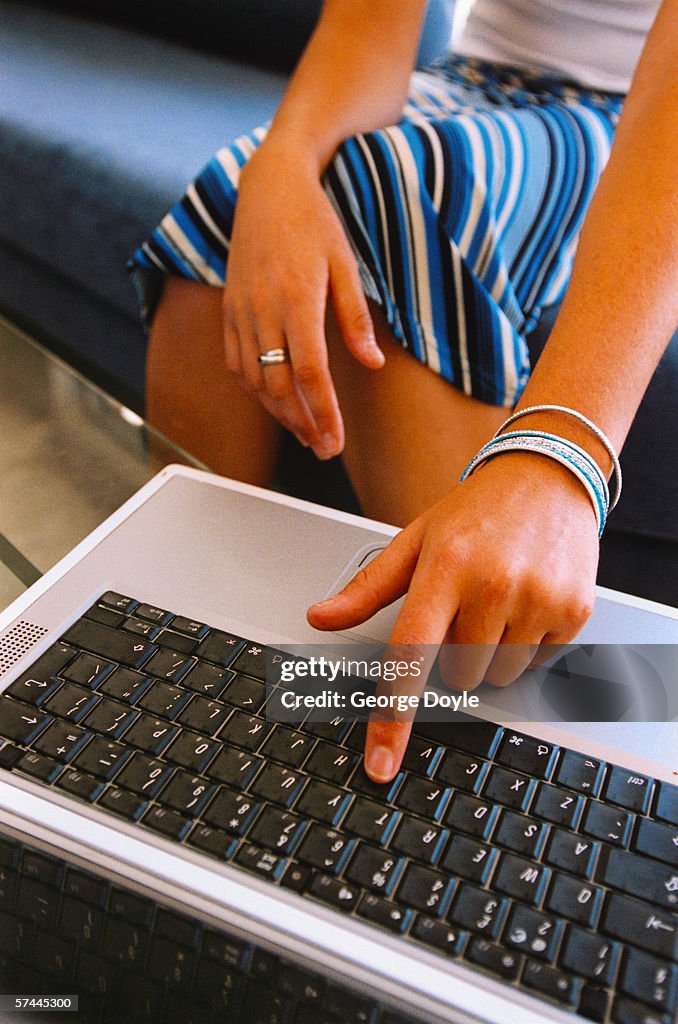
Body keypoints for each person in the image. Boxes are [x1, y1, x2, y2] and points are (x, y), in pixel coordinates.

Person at [130, 0, 678, 783]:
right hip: (473, 81)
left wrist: (560, 455)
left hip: (630, 121)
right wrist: (277, 174)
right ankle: (179, 665)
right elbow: (367, 31)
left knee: (385, 189)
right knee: (232, 203)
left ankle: (484, 734)